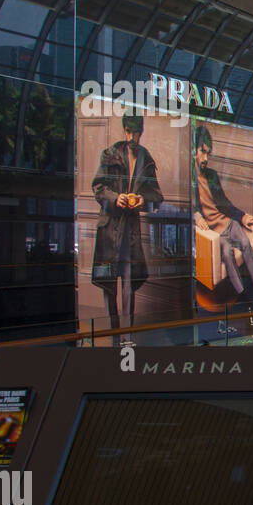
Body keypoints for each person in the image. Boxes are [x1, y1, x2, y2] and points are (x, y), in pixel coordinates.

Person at [91, 109, 163, 347]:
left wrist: (142, 199)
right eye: (129, 132)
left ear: (141, 132)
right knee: (109, 285)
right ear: (125, 130)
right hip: (110, 229)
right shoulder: (110, 154)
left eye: (137, 133)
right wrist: (116, 198)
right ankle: (114, 338)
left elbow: (156, 194)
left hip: (130, 230)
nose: (133, 137)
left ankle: (128, 338)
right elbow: (98, 188)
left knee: (129, 283)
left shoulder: (146, 158)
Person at [193, 124, 253, 315]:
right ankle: (246, 297)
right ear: (193, 151)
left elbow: (224, 203)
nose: (206, 158)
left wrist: (242, 216)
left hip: (227, 223)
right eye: (202, 152)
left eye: (208, 154)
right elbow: (187, 206)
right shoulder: (189, 178)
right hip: (212, 232)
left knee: (246, 244)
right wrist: (195, 214)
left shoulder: (211, 175)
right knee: (227, 251)